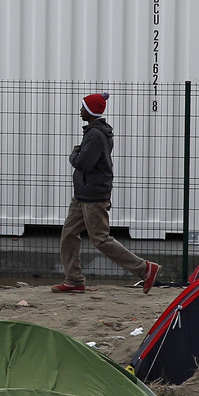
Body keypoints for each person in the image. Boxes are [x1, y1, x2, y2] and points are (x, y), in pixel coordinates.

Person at [53, 92, 160, 294]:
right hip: (84, 193)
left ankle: (145, 269)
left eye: (83, 107)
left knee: (101, 239)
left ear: (91, 112)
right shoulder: (96, 132)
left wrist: (74, 154)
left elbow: (83, 163)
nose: (80, 111)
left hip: (93, 195)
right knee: (69, 233)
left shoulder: (95, 135)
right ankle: (74, 280)